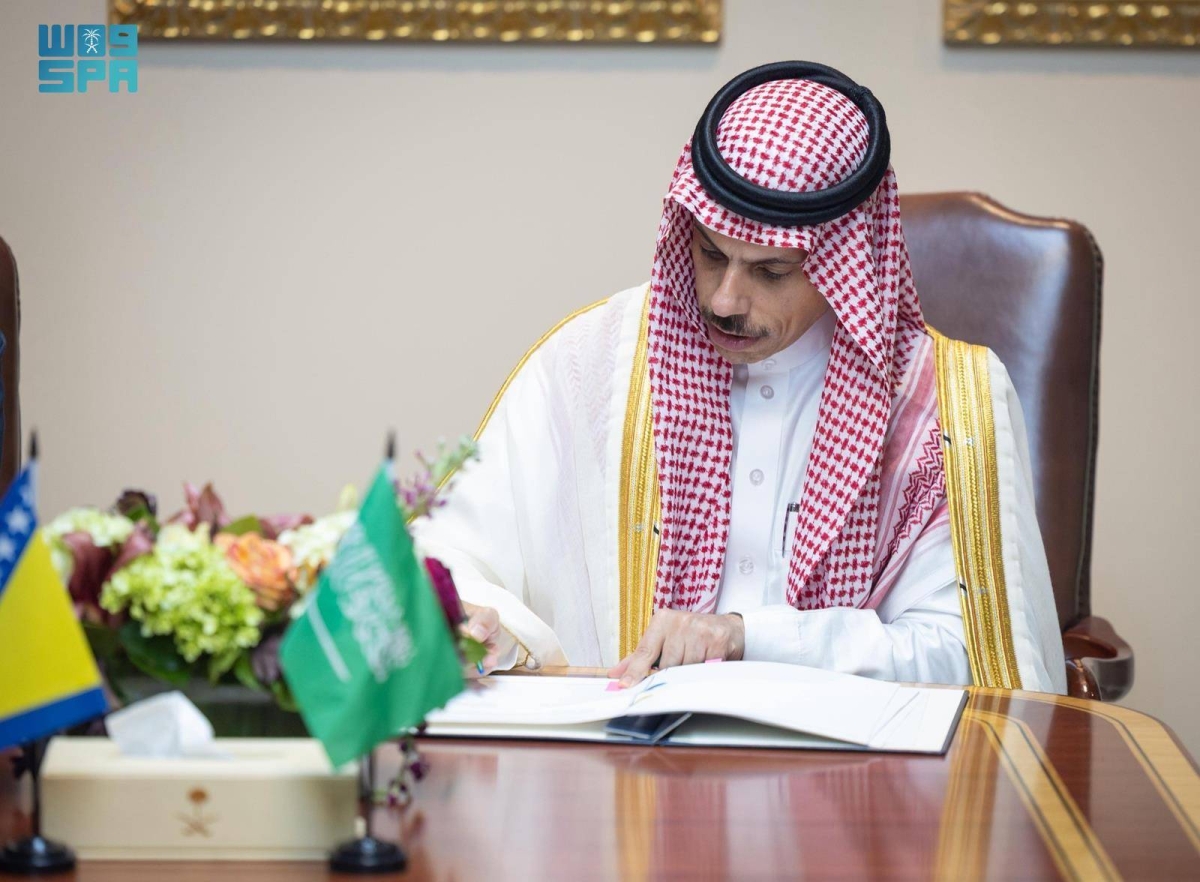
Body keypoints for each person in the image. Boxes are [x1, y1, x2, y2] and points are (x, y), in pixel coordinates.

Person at [413, 61, 1067, 694]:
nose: (725, 299)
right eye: (711, 255)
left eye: (770, 272)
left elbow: (963, 658)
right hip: (621, 755)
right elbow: (449, 555)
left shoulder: (945, 408)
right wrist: (468, 619)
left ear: (846, 263)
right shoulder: (592, 365)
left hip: (847, 765)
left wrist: (749, 637)